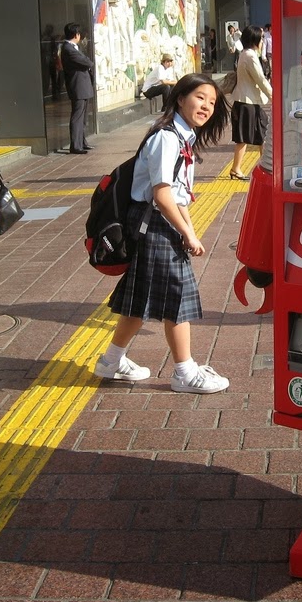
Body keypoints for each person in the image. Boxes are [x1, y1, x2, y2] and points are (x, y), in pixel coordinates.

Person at [93, 73, 232, 394]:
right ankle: (184, 372)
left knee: (140, 301)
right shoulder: (167, 138)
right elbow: (162, 194)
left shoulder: (183, 138)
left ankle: (111, 361)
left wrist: (188, 229)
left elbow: (178, 193)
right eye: (200, 98)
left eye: (211, 102)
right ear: (180, 98)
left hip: (160, 225)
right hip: (154, 226)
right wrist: (188, 232)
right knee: (177, 299)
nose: (206, 106)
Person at [229, 25, 272, 181]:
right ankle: (236, 169)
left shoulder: (246, 54)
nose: (262, 41)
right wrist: (274, 97)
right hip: (246, 102)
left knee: (263, 133)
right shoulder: (250, 56)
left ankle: (267, 166)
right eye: (261, 38)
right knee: (244, 138)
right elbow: (260, 79)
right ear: (254, 39)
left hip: (248, 101)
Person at [60, 22, 94, 154]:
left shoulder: (73, 47)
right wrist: (87, 62)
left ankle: (82, 142)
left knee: (83, 117)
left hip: (83, 86)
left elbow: (85, 60)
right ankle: (75, 145)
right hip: (77, 87)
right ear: (76, 35)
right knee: (77, 116)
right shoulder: (68, 49)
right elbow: (87, 62)